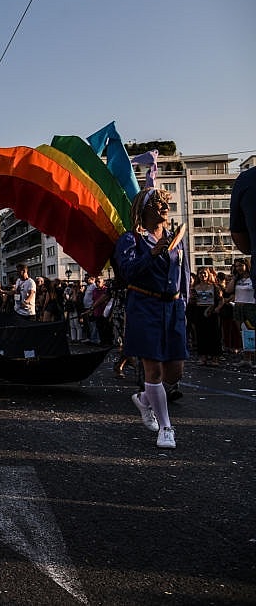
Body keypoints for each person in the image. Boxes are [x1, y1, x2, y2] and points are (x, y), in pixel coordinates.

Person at [115, 187, 189, 449]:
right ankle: (166, 427)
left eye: (165, 203)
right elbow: (127, 273)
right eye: (158, 204)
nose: (164, 208)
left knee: (174, 372)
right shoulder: (131, 240)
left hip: (173, 309)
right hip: (144, 306)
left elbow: (183, 275)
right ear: (144, 209)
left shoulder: (176, 238)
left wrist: (184, 307)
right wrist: (152, 252)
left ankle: (145, 399)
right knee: (154, 369)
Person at [187, 267, 223, 365]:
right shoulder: (195, 287)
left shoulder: (214, 286)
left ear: (208, 274)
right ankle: (203, 357)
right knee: (201, 335)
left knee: (214, 335)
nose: (203, 275)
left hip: (212, 312)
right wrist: (191, 299)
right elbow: (191, 301)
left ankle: (215, 358)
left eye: (204, 273)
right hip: (199, 311)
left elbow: (221, 300)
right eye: (200, 273)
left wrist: (217, 308)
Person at [224, 258, 255, 367]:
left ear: (246, 265)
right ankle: (246, 358)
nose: (238, 268)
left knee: (251, 333)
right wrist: (235, 277)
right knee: (243, 334)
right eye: (236, 266)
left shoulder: (252, 278)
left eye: (240, 266)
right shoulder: (237, 279)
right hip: (238, 307)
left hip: (250, 307)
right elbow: (228, 290)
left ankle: (251, 358)